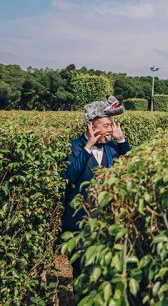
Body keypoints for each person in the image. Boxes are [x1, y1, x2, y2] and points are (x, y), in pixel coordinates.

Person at [61, 96, 131, 277]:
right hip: (79, 222)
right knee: (81, 270)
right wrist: (89, 146)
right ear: (92, 126)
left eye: (112, 125)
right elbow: (70, 176)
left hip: (106, 221)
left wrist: (122, 141)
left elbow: (133, 165)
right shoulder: (74, 146)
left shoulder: (114, 148)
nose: (111, 129)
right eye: (107, 125)